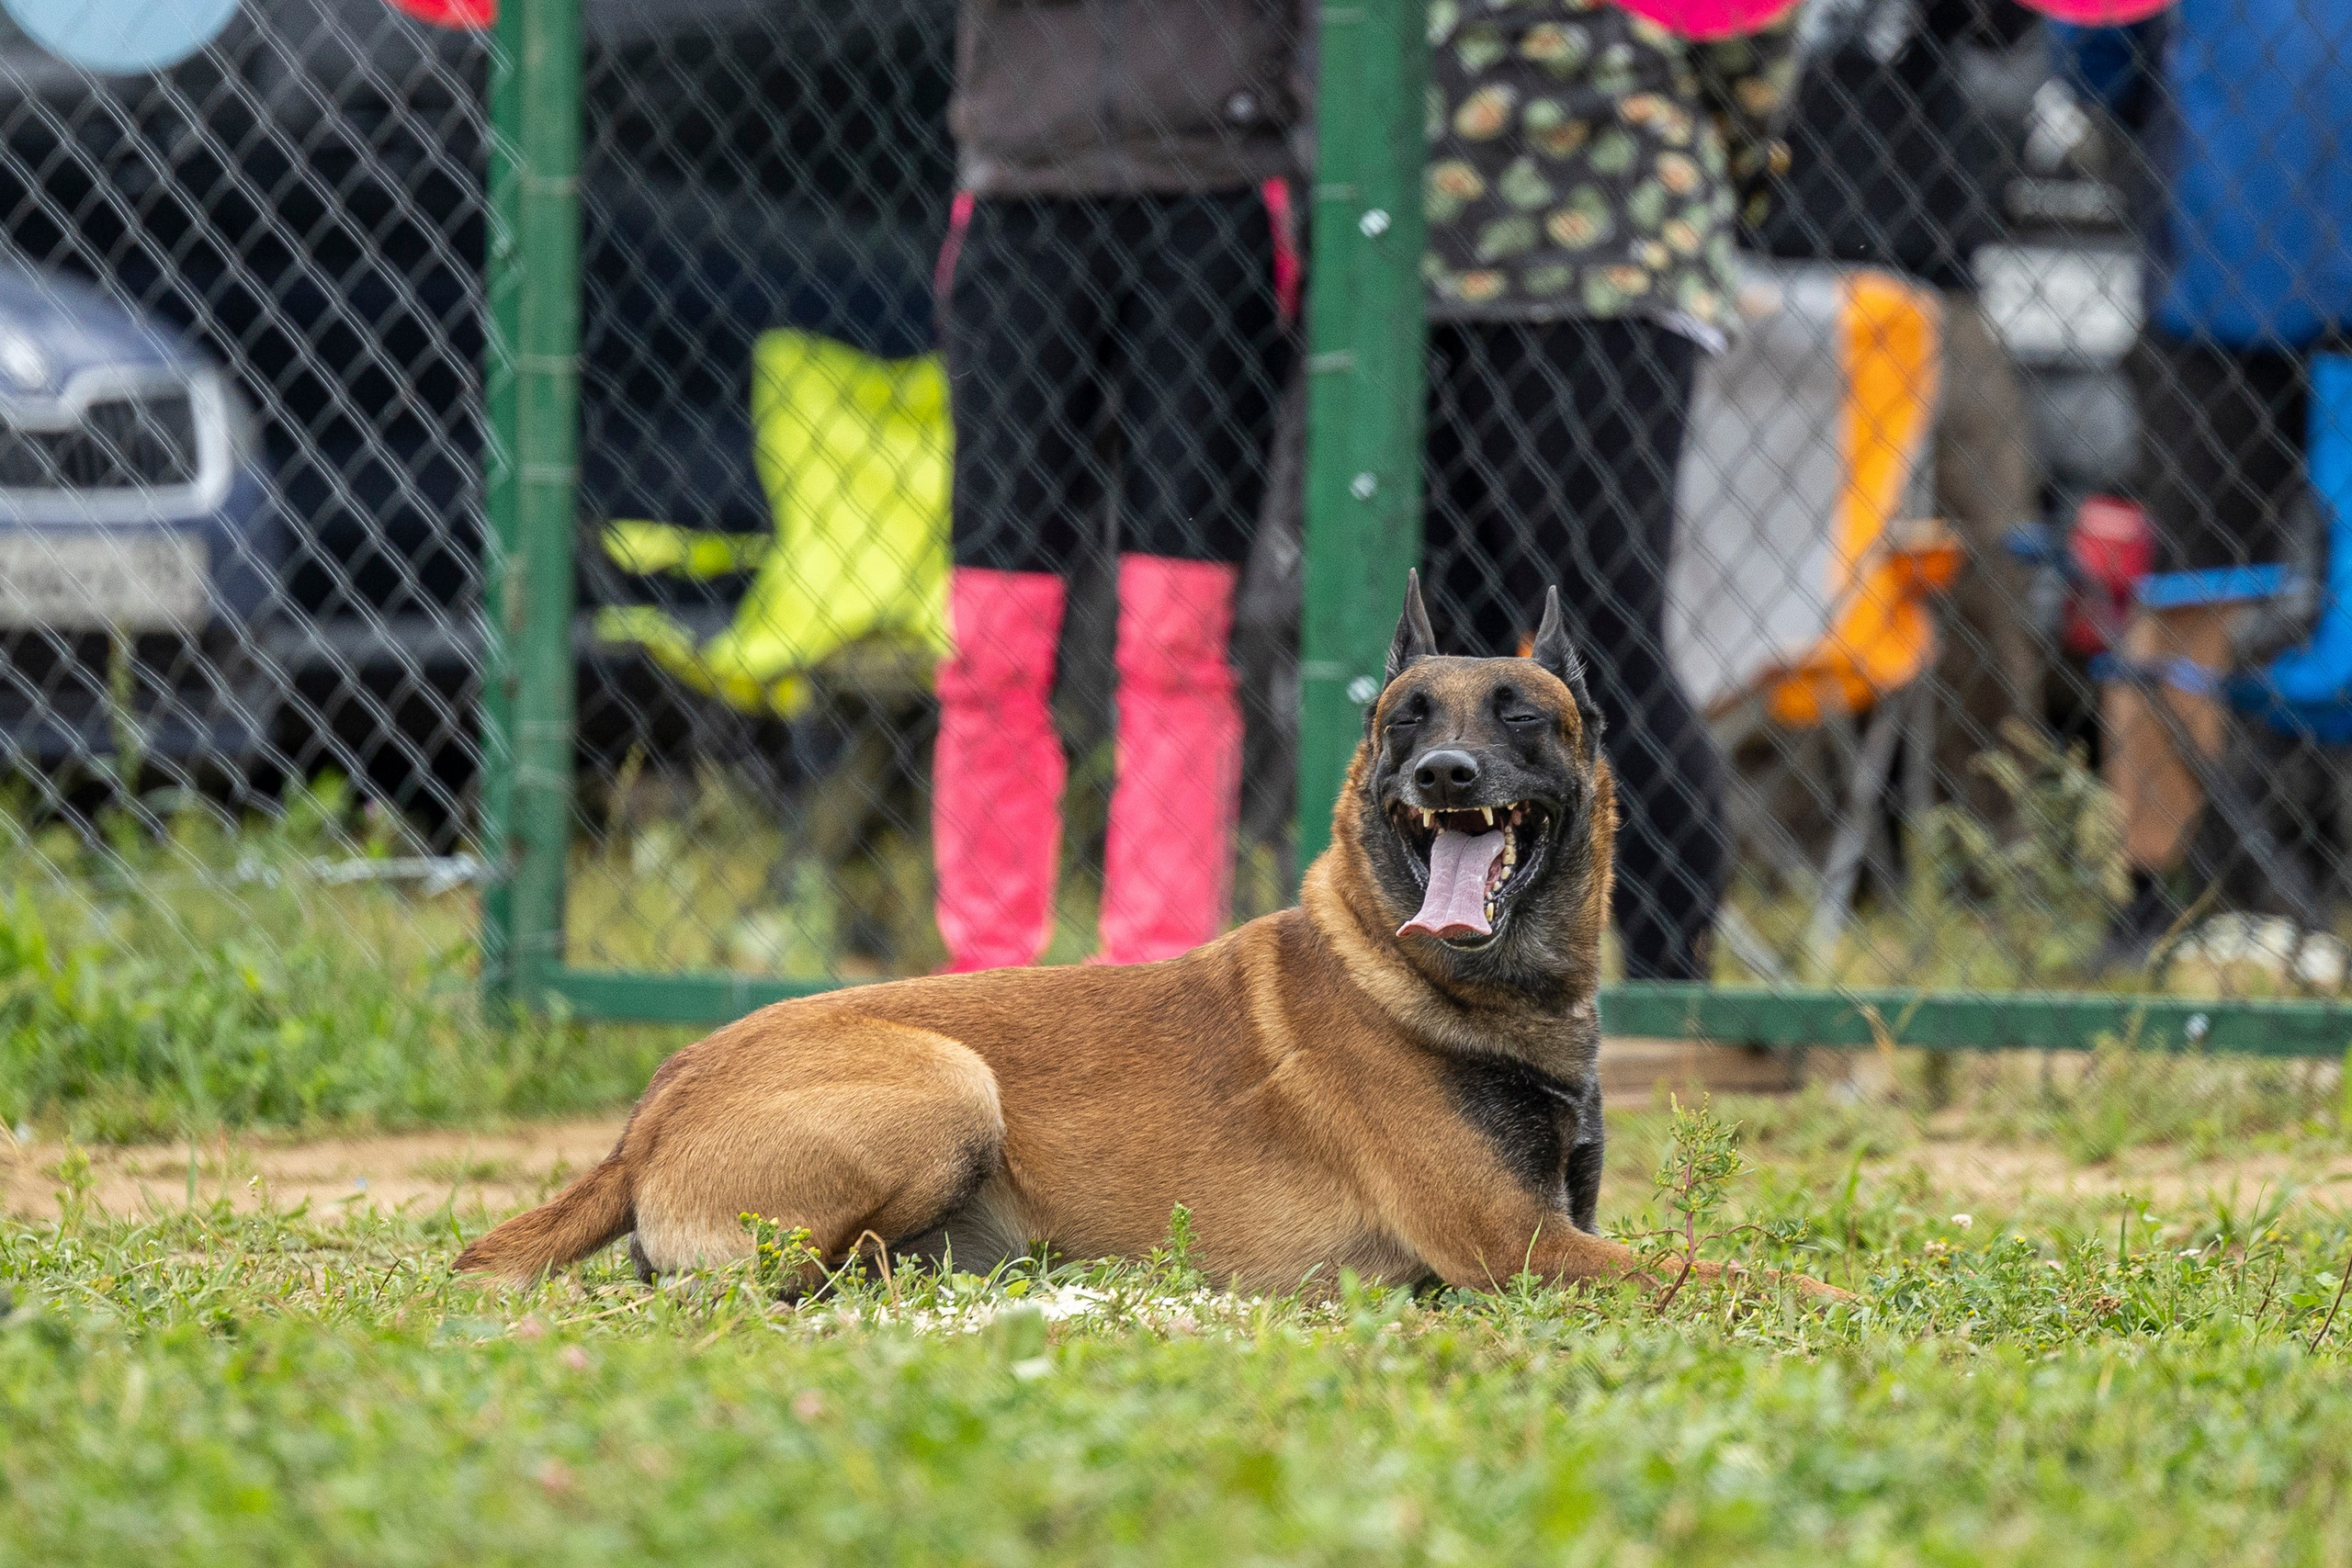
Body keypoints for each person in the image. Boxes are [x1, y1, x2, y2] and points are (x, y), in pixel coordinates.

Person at [1419, 0, 1796, 981]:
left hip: (1604, 259)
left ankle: (1670, 968)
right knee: (1444, 649)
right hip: (1419, 266)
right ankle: (1457, 962)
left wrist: (1733, 170)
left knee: (1596, 630)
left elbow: (1747, 46)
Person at [931, 0, 1304, 971]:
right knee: (991, 638)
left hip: (1210, 198)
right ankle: (986, 971)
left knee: (1179, 632)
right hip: (1021, 195)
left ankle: (1155, 974)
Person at [2056, 2, 2352, 960]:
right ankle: (2154, 889)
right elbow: (2097, 45)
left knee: (2191, 596)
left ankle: (2152, 895)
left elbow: (2098, 54)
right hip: (2224, 262)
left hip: (2228, 241)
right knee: (2188, 595)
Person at [1755, 0, 2044, 809]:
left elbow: (2003, 29)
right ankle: (1780, 848)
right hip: (1762, 271)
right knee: (1772, 568)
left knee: (1981, 553)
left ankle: (1989, 844)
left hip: (1925, 273)